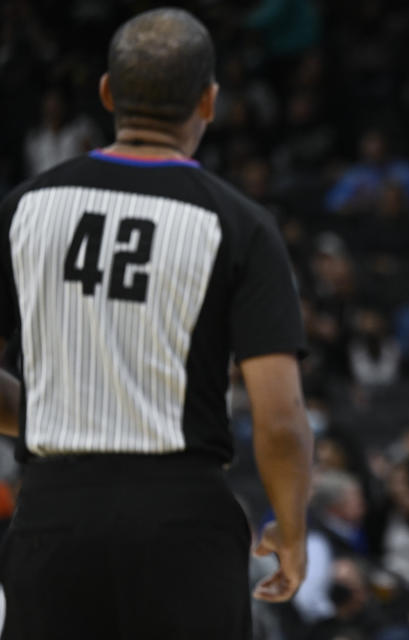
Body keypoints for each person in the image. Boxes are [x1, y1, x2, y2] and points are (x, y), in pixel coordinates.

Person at [0, 8, 312, 639]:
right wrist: (293, 528)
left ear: (108, 93)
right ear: (209, 100)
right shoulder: (241, 226)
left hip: (51, 517)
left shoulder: (22, 210)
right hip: (181, 524)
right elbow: (279, 420)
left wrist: (45, 418)